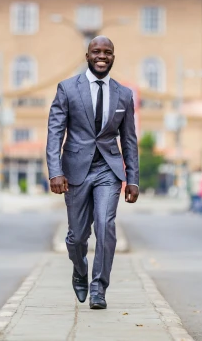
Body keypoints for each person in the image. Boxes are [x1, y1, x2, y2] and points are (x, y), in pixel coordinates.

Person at [46, 36, 140, 310]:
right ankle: (79, 268)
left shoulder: (124, 94)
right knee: (76, 237)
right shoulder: (67, 89)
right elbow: (55, 133)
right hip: (75, 170)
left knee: (105, 225)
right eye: (96, 52)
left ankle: (99, 288)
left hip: (108, 171)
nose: (102, 56)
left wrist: (132, 178)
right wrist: (55, 172)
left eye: (107, 52)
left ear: (113, 57)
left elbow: (130, 140)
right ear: (87, 56)